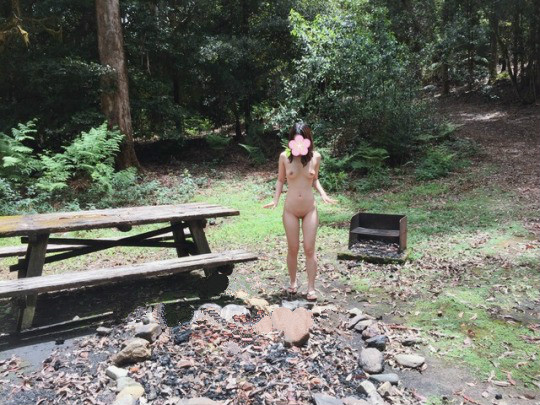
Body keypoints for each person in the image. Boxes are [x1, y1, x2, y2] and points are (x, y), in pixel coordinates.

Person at [263, 122, 337, 301]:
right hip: (290, 210)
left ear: (308, 140)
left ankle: (311, 288)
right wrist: (275, 199)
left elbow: (315, 179)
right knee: (293, 248)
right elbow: (280, 180)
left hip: (310, 209)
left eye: (302, 140)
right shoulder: (284, 157)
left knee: (309, 249)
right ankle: (293, 282)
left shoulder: (316, 157)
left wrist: (324, 194)